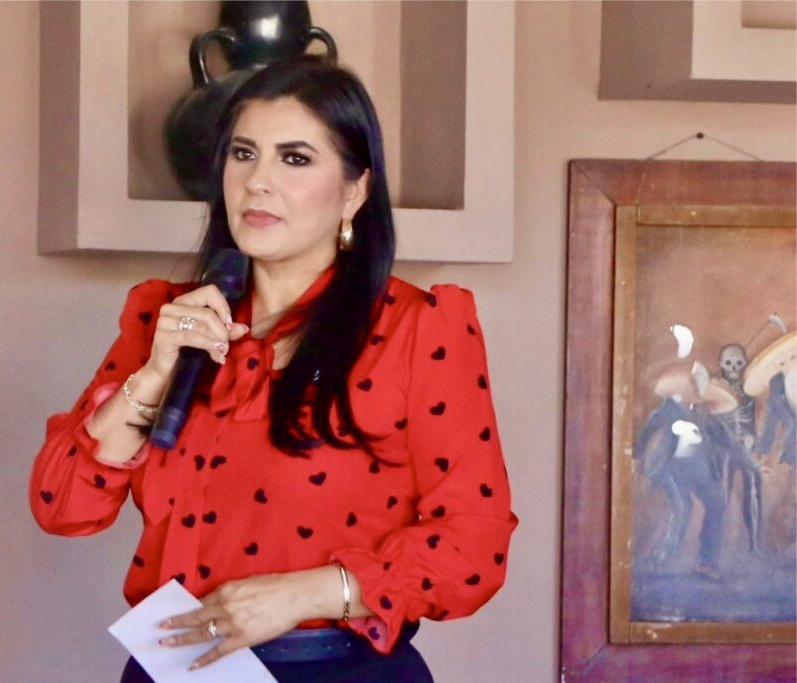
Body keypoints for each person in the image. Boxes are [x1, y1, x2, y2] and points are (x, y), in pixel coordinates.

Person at [29, 55, 516, 682]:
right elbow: (63, 508)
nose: (258, 182)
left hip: (338, 670)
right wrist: (150, 379)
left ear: (354, 190)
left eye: (295, 159)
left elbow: (476, 544)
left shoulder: (418, 329)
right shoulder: (166, 318)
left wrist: (305, 594)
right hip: (173, 666)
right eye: (243, 154)